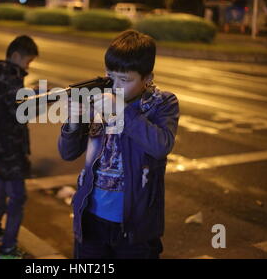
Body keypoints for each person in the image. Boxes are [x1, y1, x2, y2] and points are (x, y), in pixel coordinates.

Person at [58, 30, 179, 259]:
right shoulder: (98, 99)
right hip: (91, 218)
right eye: (111, 76)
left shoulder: (162, 104)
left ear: (147, 79)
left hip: (135, 224)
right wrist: (73, 122)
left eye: (125, 80)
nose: (115, 85)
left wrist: (122, 111)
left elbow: (161, 145)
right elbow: (67, 152)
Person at [0, 35, 38, 259]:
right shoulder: (10, 78)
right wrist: (42, 98)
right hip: (11, 147)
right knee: (17, 197)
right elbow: (19, 112)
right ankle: (8, 247)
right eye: (28, 62)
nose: (28, 67)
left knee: (0, 185)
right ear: (16, 56)